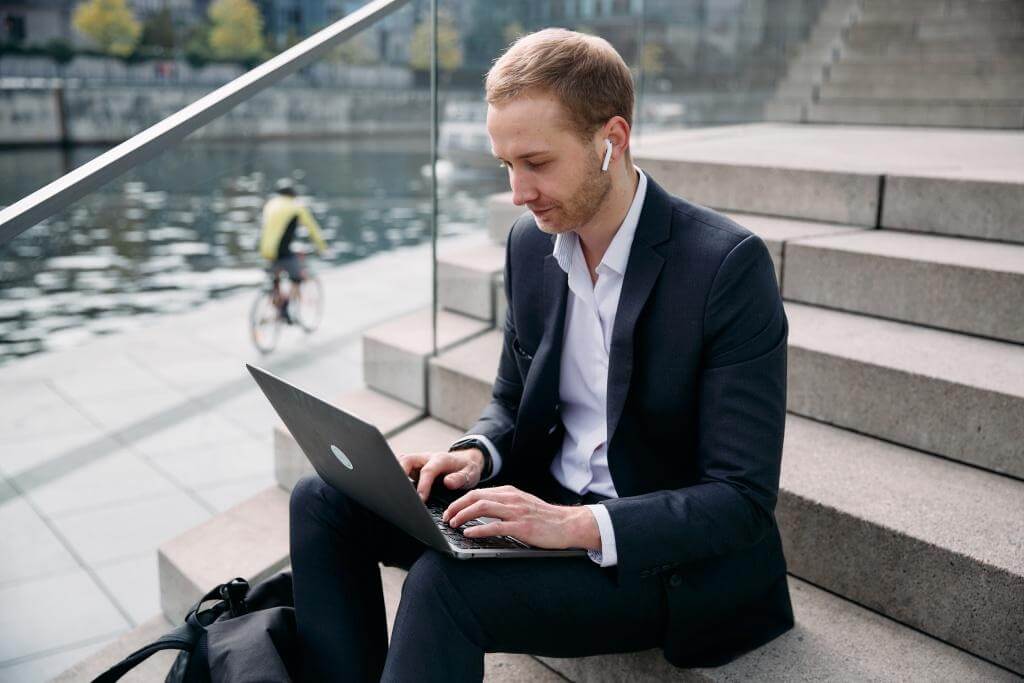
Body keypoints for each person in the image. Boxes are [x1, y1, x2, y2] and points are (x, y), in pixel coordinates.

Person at [289, 28, 791, 681]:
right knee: (323, 497)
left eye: (537, 162)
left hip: (654, 557)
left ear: (612, 140)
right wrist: (475, 454)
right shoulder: (532, 244)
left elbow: (740, 498)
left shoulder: (725, 266)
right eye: (506, 166)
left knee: (444, 582)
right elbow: (510, 398)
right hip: (545, 502)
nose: (518, 192)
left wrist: (574, 524)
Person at [258, 179, 327, 324]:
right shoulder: (296, 207)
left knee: (275, 279)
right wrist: (322, 247)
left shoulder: (270, 204)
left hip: (264, 250)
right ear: (293, 194)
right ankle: (284, 309)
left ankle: (277, 306)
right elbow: (312, 229)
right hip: (281, 250)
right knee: (297, 278)